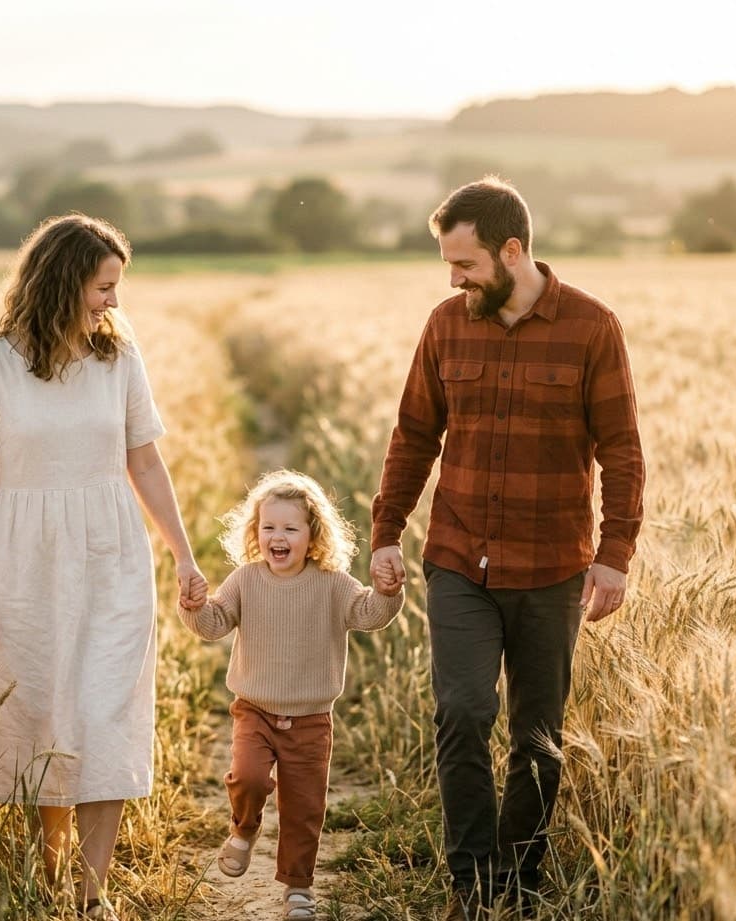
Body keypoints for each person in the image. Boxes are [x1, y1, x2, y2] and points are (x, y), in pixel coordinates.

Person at [369, 177, 645, 920]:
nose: (454, 279)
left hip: (553, 563)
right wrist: (386, 530)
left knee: (538, 734)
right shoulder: (446, 324)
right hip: (458, 554)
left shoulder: (592, 327)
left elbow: (621, 450)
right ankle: (472, 883)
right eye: (448, 266)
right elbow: (414, 434)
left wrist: (615, 552)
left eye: (465, 264)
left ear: (512, 250)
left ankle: (517, 883)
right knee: (461, 711)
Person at [0, 213, 207, 920]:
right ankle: (51, 875)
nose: (114, 302)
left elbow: (145, 460)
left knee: (104, 709)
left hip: (112, 553)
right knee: (39, 712)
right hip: (23, 558)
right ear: (63, 281)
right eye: (104, 286)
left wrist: (182, 554)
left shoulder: (119, 359)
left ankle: (92, 894)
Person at [178, 470, 404, 921]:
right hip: (255, 711)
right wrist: (195, 606)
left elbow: (368, 614)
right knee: (248, 777)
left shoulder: (332, 584)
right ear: (254, 533)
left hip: (311, 719)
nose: (276, 537)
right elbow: (215, 624)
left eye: (289, 528)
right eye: (267, 527)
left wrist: (387, 592)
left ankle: (297, 888)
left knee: (304, 809)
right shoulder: (246, 580)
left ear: (313, 535)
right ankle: (243, 830)